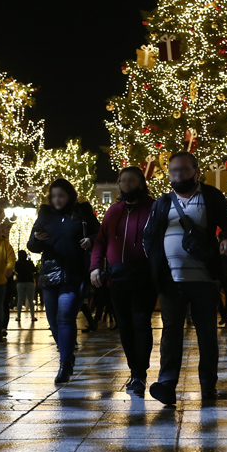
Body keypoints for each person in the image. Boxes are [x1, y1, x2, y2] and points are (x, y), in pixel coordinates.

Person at [143, 151, 227, 405]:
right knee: (171, 333)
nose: (177, 175)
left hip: (204, 279)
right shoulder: (163, 203)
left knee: (206, 333)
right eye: (173, 171)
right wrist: (155, 264)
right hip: (170, 281)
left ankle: (208, 384)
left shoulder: (211, 197)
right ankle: (166, 385)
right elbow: (149, 236)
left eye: (183, 170)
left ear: (196, 171)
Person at [90, 166, 156, 395]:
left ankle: (140, 373)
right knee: (125, 326)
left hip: (144, 277)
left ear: (140, 183)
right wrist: (95, 267)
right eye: (122, 180)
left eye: (131, 180)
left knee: (140, 321)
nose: (126, 184)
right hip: (117, 278)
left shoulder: (153, 208)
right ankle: (134, 369)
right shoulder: (113, 211)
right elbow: (100, 241)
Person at [28, 179, 99, 382]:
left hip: (74, 273)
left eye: (61, 195)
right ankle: (67, 354)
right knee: (53, 321)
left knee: (65, 316)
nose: (57, 200)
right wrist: (36, 239)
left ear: (69, 195)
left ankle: (65, 364)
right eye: (54, 196)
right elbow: (32, 245)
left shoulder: (81, 213)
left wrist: (90, 241)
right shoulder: (45, 214)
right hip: (50, 274)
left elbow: (98, 232)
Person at [14, 250, 38, 323]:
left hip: (20, 282)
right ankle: (33, 316)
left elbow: (16, 271)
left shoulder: (17, 264)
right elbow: (34, 270)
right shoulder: (29, 263)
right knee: (31, 300)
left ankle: (18, 316)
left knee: (20, 300)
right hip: (29, 282)